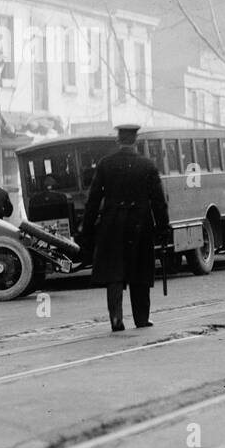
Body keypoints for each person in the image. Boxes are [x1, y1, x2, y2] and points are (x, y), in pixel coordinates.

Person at [79, 124, 170, 332]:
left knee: (114, 273)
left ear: (118, 141)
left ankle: (116, 319)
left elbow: (93, 200)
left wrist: (87, 230)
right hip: (140, 225)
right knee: (140, 272)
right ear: (135, 141)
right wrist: (163, 228)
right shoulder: (148, 166)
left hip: (112, 225)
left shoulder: (105, 164)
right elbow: (158, 201)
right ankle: (141, 318)